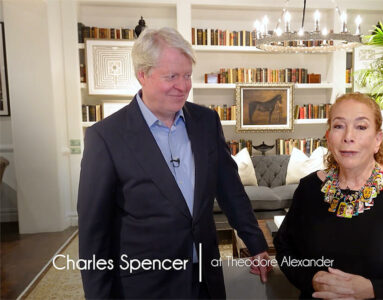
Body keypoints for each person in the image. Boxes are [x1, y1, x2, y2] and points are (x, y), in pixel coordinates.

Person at [78, 27, 270, 299]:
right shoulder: (106, 137)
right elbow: (93, 234)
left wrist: (255, 243)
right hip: (145, 285)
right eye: (171, 76)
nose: (183, 86)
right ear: (142, 74)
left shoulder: (206, 122)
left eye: (187, 75)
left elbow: (230, 190)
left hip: (205, 277)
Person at [274, 93, 383, 299]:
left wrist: (373, 289)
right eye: (339, 126)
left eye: (361, 127)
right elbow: (285, 251)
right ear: (328, 138)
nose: (348, 136)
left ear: (377, 140)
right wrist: (311, 278)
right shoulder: (308, 189)